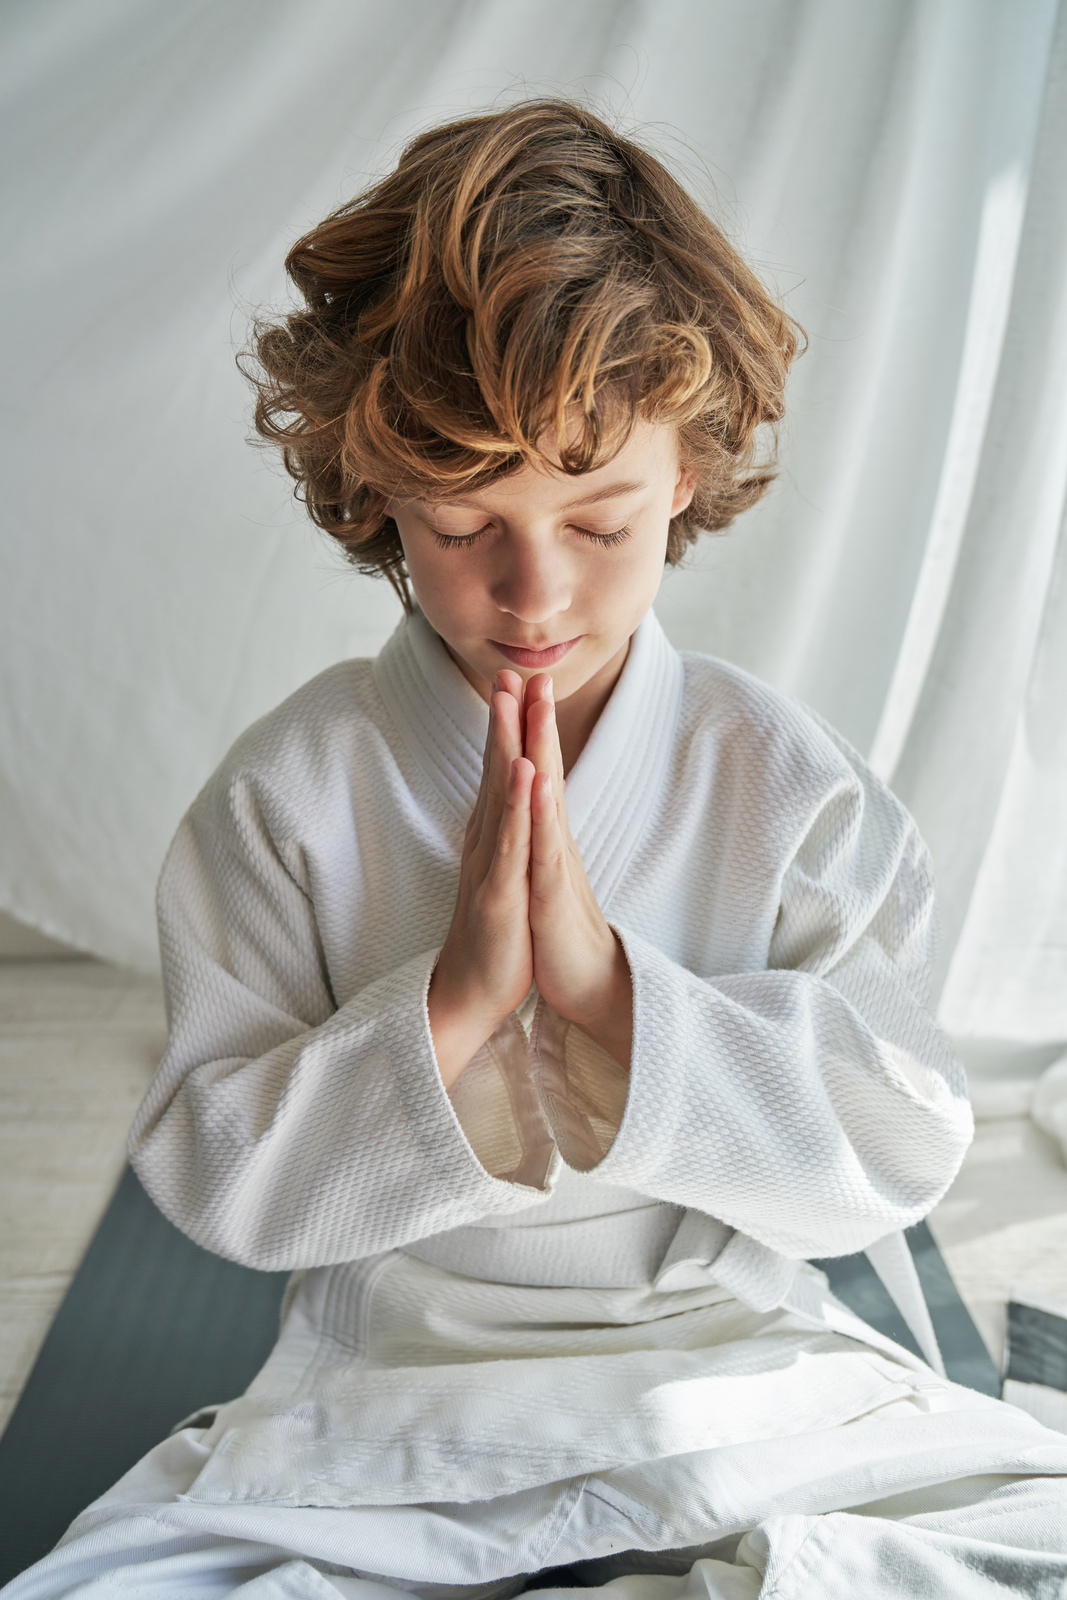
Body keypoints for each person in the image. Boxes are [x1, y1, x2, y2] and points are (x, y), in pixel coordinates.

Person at [10, 99, 1067, 1600]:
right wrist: (449, 1009)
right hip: (393, 1398)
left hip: (736, 1373)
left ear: (689, 471)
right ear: (377, 488)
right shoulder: (291, 797)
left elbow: (898, 1144)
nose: (534, 587)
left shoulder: (784, 787)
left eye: (600, 515)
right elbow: (217, 1177)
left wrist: (611, 998)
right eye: (463, 522)